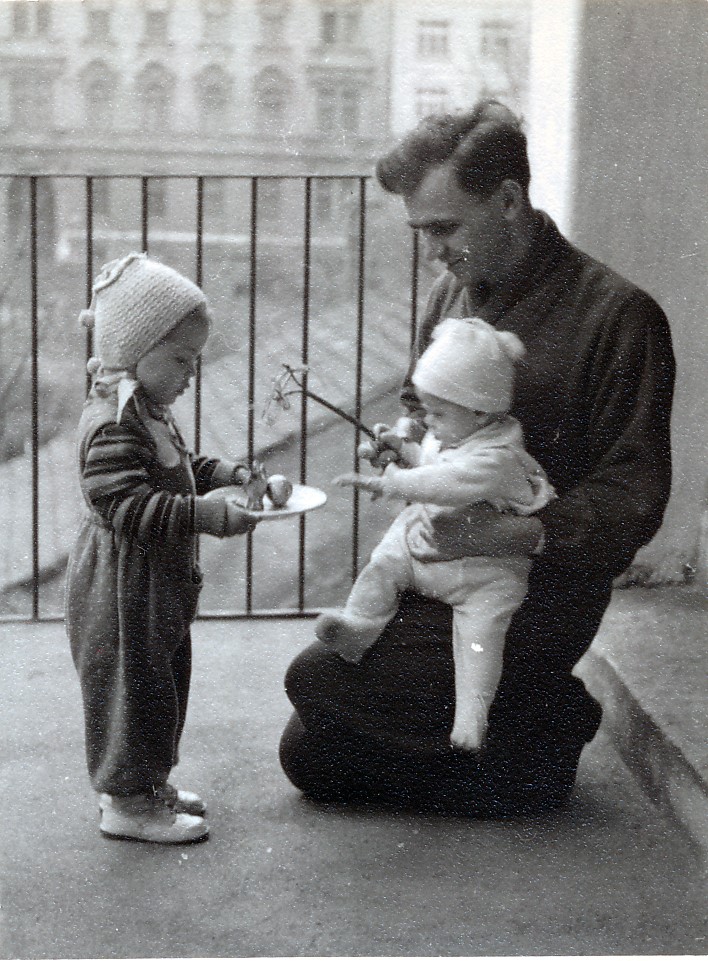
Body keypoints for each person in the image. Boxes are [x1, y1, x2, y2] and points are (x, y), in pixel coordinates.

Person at [279, 100, 675, 815]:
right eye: (422, 232)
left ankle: (548, 712)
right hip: (440, 575)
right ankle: (528, 729)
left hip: (536, 592)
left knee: (316, 682)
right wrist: (403, 437)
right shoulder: (451, 292)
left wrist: (513, 531)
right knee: (306, 752)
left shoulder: (619, 316)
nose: (433, 251)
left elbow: (634, 495)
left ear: (509, 201)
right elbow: (418, 401)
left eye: (445, 228)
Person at [65, 252, 259, 844]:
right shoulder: (111, 423)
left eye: (194, 360)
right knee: (131, 690)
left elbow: (178, 469)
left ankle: (147, 784)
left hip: (151, 585)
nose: (190, 374)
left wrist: (230, 474)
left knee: (160, 685)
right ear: (132, 351)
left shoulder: (146, 410)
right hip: (122, 588)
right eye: (180, 359)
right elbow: (126, 505)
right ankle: (127, 802)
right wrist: (208, 516)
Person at [316, 317, 555, 751]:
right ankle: (358, 627)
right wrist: (402, 450)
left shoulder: (498, 458)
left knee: (480, 638)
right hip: (429, 552)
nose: (429, 420)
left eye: (438, 413)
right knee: (384, 561)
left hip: (487, 575)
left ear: (480, 411)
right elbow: (430, 462)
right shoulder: (456, 434)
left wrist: (393, 482)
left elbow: (446, 482)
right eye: (427, 410)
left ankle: (471, 720)